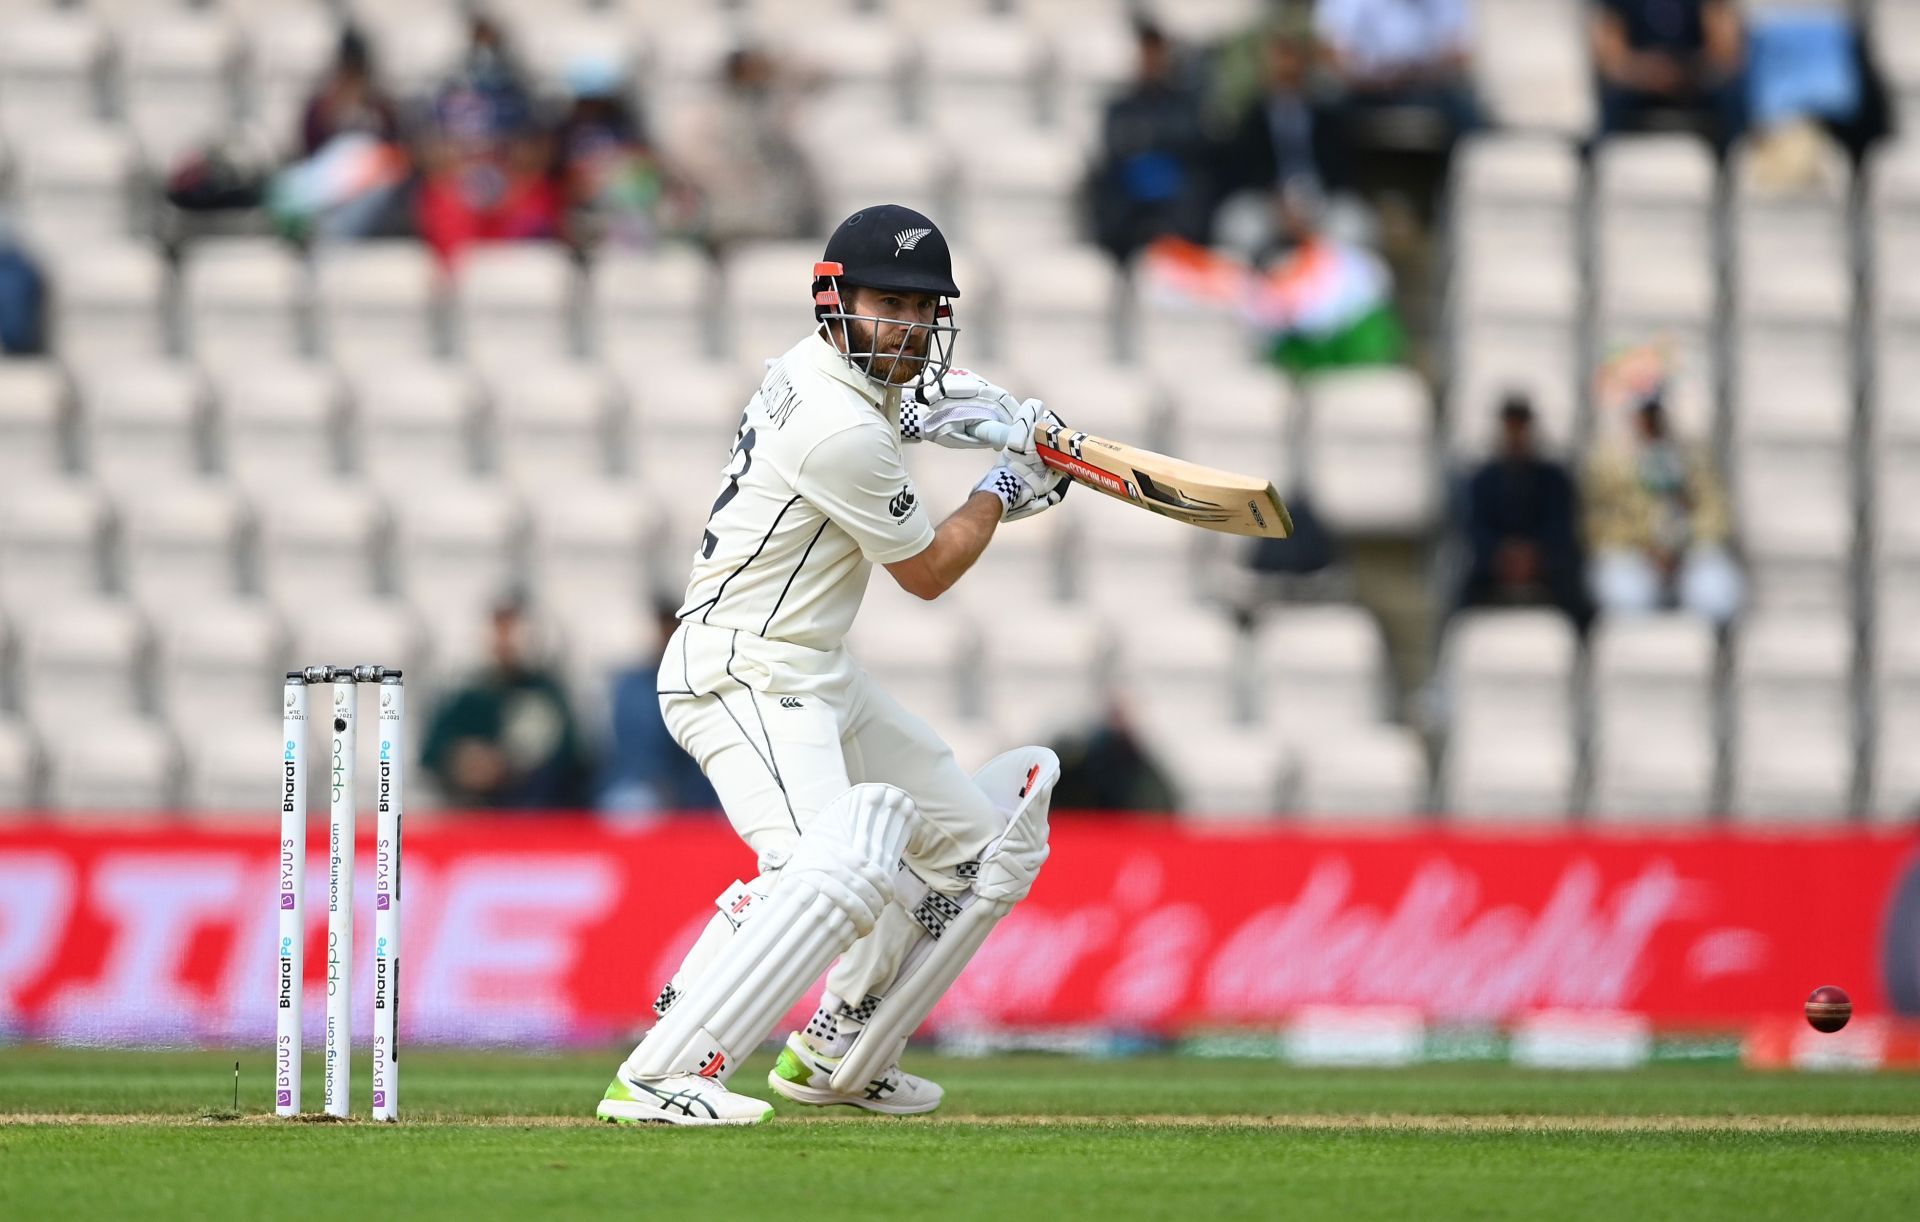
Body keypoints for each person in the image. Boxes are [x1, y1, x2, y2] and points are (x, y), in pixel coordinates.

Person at [594, 204, 1071, 1126]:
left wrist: (1002, 414)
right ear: (836, 300)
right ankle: (659, 1072)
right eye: (889, 302)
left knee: (976, 854)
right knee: (823, 868)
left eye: (926, 307)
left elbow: (926, 396)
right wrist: (1003, 485)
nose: (911, 325)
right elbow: (927, 573)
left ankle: (838, 1046)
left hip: (812, 668)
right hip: (741, 671)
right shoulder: (835, 427)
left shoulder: (841, 371)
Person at [420, 597, 593, 808]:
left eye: (512, 632)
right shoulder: (468, 693)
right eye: (499, 631)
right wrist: (461, 761)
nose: (505, 642)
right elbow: (431, 752)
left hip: (534, 808)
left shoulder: (546, 693)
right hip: (474, 808)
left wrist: (508, 767)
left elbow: (571, 758)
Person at [1585, 394, 1742, 624]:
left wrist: (1680, 546)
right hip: (1633, 554)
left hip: (1688, 554)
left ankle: (1715, 654)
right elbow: (1598, 522)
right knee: (1626, 599)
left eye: (1656, 413)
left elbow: (1716, 514)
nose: (1652, 420)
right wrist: (1646, 545)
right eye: (1646, 414)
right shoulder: (1608, 463)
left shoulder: (1693, 457)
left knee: (1717, 593)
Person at [665, 47, 821, 253]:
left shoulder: (771, 112)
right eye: (749, 71)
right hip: (728, 221)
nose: (756, 79)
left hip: (777, 221)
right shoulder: (709, 116)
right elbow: (693, 163)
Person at [1456, 396, 1591, 631]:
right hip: (1496, 562)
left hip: (1545, 562)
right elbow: (1476, 528)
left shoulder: (1553, 478)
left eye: (1521, 427)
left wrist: (1535, 556)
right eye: (1511, 427)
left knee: (1576, 593)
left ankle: (1582, 648)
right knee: (1463, 593)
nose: (1516, 435)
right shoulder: (1483, 480)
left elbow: (1561, 526)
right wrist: (1502, 555)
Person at [1089, 18, 1215, 262]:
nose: (1152, 61)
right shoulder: (1120, 108)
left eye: (1157, 53)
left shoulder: (1184, 106)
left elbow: (1192, 143)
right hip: (1131, 202)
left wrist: (1145, 138)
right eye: (1146, 53)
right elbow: (1115, 148)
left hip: (1176, 200)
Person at [598, 601, 720, 814]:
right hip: (639, 784)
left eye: (670, 630)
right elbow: (631, 747)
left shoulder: (700, 682)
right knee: (631, 804)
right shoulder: (632, 685)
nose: (664, 638)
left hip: (692, 787)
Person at [1591, 0, 1747, 153]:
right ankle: (1600, 165)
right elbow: (1611, 58)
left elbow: (1724, 52)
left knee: (1730, 95)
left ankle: (1729, 164)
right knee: (1612, 99)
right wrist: (1647, 72)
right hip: (1638, 82)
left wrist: (1684, 72)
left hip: (1692, 80)